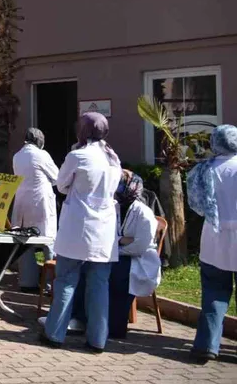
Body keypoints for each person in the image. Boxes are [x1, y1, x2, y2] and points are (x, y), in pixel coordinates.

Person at [40, 112, 121, 353]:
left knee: (66, 280)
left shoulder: (78, 155)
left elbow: (61, 185)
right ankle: (97, 340)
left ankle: (54, 334)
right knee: (99, 285)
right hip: (104, 229)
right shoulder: (113, 158)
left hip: (78, 226)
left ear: (83, 131)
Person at [68, 169, 160, 340]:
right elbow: (104, 234)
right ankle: (80, 318)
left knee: (116, 274)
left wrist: (117, 248)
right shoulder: (113, 207)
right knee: (86, 267)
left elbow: (139, 247)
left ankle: (112, 325)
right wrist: (121, 240)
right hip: (117, 254)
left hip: (139, 260)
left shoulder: (144, 214)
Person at [188, 124, 237, 363]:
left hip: (214, 235)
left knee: (214, 292)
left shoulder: (202, 170)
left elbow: (196, 205)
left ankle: (206, 345)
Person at [11, 128, 60, 290]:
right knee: (48, 241)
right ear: (39, 141)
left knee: (25, 242)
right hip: (40, 203)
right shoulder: (41, 155)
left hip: (22, 203)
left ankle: (27, 282)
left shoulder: (17, 156)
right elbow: (57, 177)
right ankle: (50, 284)